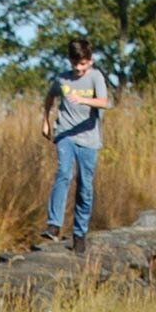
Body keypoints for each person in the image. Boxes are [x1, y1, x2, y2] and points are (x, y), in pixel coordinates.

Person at [40, 37, 111, 254]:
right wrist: (45, 121)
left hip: (89, 139)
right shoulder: (63, 80)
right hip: (65, 134)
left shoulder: (95, 77)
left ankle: (79, 233)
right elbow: (50, 97)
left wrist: (82, 100)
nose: (78, 68)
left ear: (90, 61)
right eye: (74, 64)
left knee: (85, 186)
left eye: (82, 64)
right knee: (63, 172)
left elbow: (105, 102)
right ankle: (54, 224)